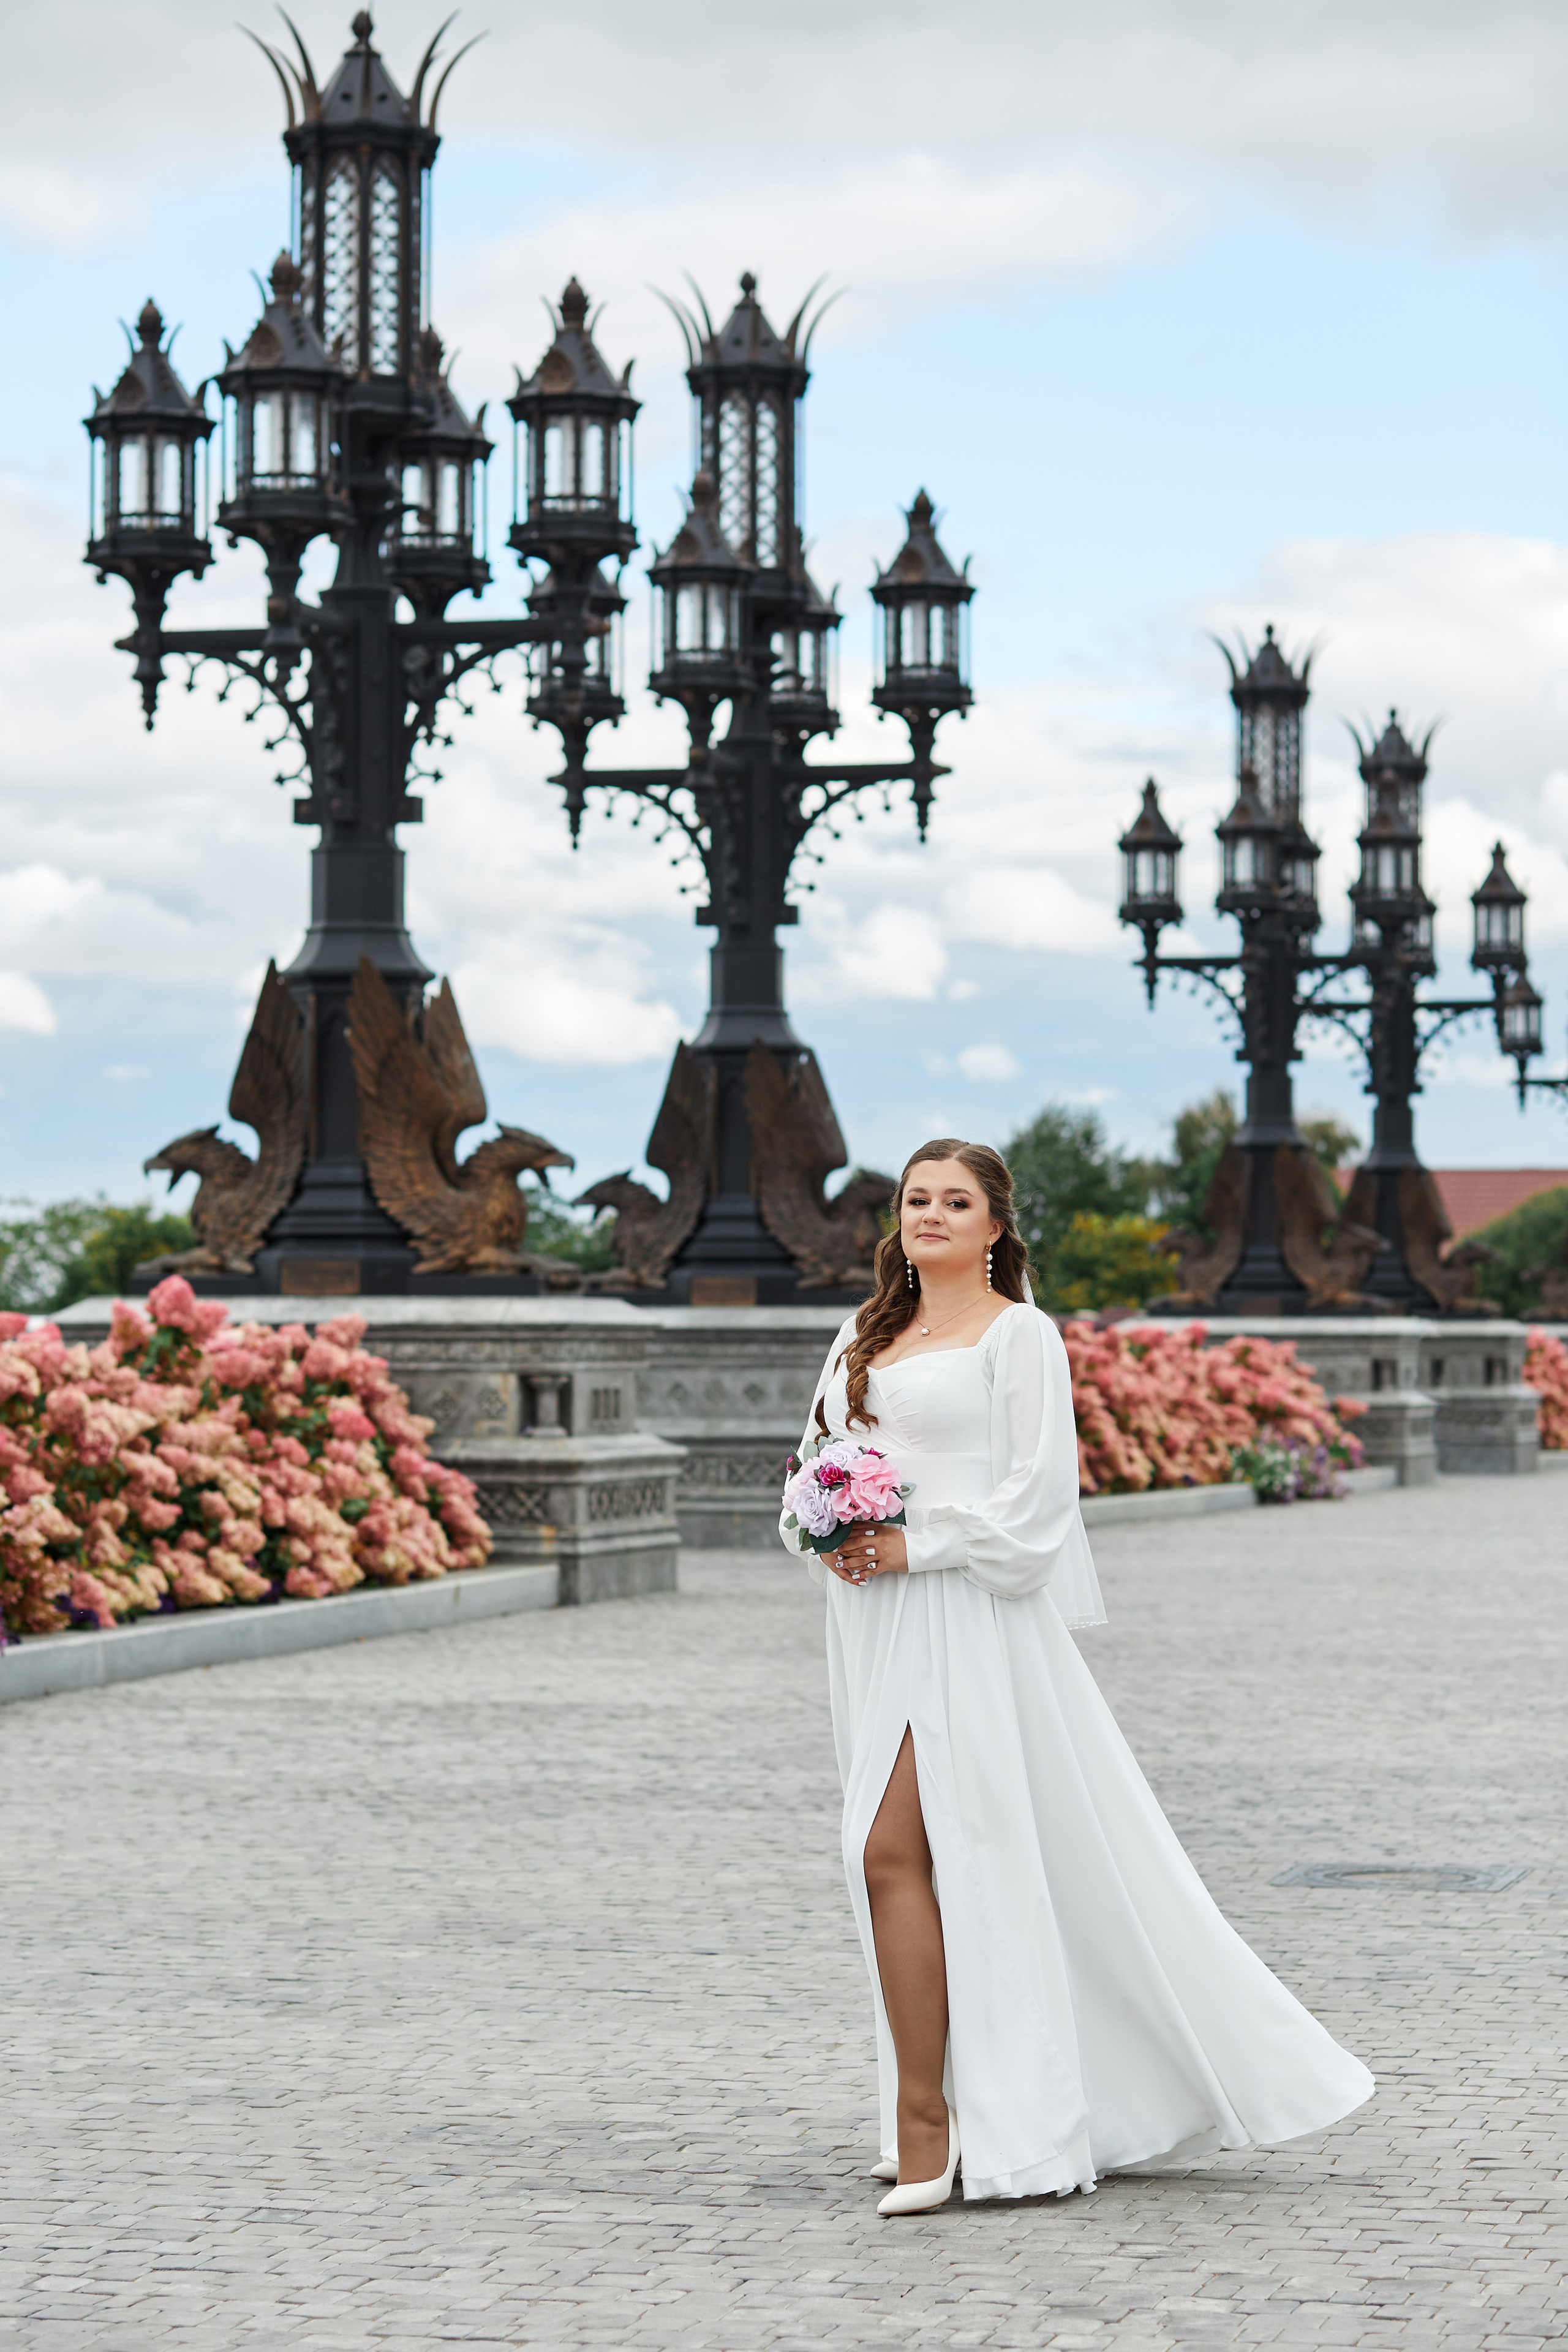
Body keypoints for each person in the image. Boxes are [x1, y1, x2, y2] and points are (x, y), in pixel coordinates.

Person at [782, 1138, 1373, 2217]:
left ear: (996, 1225)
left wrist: (921, 1542)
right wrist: (825, 1525)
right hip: (874, 1620)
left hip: (969, 1617)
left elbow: (1039, 1508)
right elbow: (816, 1457)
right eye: (917, 1199)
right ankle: (935, 2108)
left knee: (897, 1851)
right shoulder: (864, 1332)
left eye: (956, 1201)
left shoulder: (1022, 1338)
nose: (932, 1215)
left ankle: (941, 2124)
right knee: (916, 1859)